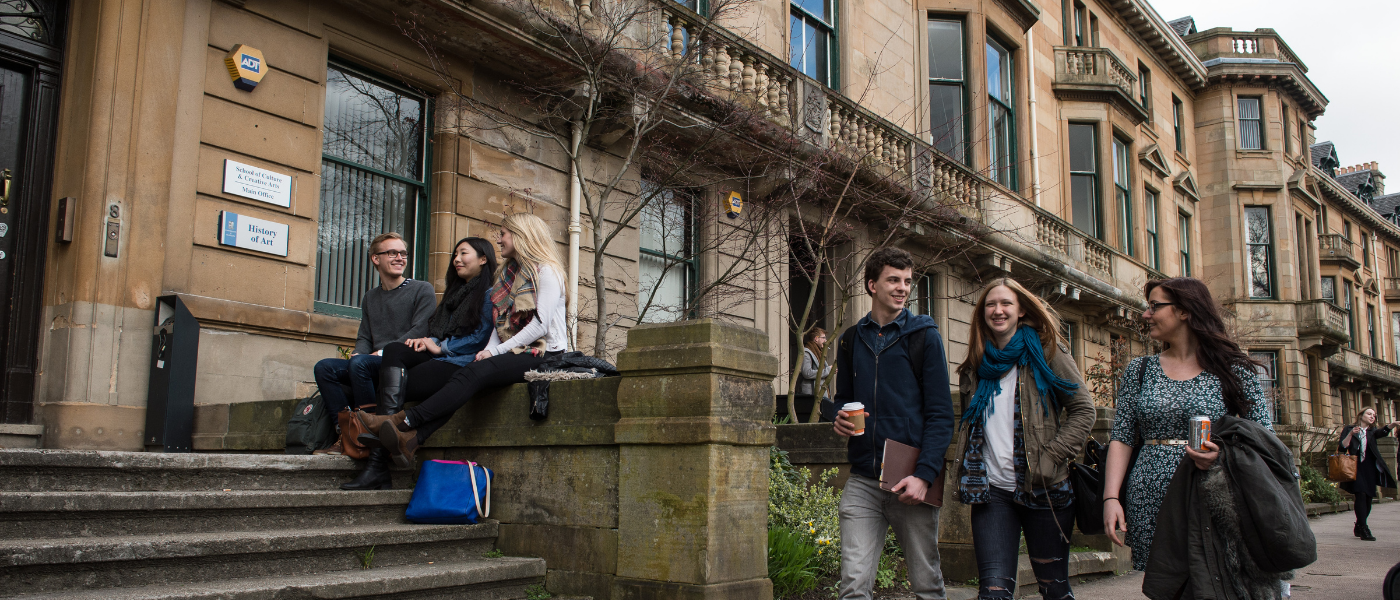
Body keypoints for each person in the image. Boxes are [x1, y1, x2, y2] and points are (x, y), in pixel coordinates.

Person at [357, 213, 569, 469]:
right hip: (514, 349)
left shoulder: (547, 271)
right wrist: (490, 349)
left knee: (471, 375)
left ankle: (404, 421)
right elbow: (500, 323)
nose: (499, 240)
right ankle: (412, 439)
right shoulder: (510, 275)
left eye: (503, 234)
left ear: (521, 235)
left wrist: (496, 352)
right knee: (469, 374)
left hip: (543, 354)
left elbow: (540, 324)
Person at [1102, 277, 1272, 571]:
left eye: (1154, 306)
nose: (1146, 314)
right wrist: (1111, 497)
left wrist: (1222, 455)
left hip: (1215, 493)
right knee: (1166, 585)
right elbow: (1122, 436)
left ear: (1184, 311)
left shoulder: (1233, 370)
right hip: (1150, 495)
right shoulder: (1140, 370)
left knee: (1216, 580)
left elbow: (1264, 437)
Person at [952, 278, 1094, 600]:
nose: (998, 310)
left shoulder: (1047, 352)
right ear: (982, 313)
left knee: (1054, 589)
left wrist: (1051, 456)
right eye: (991, 304)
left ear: (1021, 310)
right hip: (993, 493)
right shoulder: (975, 366)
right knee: (992, 593)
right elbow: (970, 427)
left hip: (1046, 490)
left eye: (1006, 304)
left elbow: (1084, 410)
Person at [831, 247, 954, 600]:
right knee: (853, 586)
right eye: (893, 280)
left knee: (926, 584)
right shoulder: (852, 339)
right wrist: (839, 419)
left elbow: (941, 415)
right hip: (863, 481)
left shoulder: (924, 336)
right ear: (872, 284)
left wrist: (925, 476)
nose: (902, 288)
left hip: (910, 480)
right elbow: (844, 401)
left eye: (907, 281)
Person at [340, 237, 498, 490]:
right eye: (455, 254)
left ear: (483, 259)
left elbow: (480, 338)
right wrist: (428, 340)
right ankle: (381, 442)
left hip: (461, 361)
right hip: (441, 354)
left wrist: (441, 346)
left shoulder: (490, 293)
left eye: (463, 254)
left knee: (395, 383)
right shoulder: (455, 293)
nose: (456, 259)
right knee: (394, 350)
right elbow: (439, 329)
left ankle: (377, 460)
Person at [311, 232, 435, 436]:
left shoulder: (422, 289)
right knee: (325, 368)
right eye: (392, 253)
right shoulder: (370, 297)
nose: (400, 258)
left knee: (361, 364)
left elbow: (420, 330)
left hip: (406, 360)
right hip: (372, 362)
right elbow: (365, 336)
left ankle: (369, 430)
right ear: (376, 259)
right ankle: (345, 433)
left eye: (403, 253)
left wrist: (379, 354)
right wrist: (359, 353)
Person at [1337, 407, 1398, 541]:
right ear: (1361, 415)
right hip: (1355, 467)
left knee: (1369, 498)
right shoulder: (1349, 429)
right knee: (1361, 494)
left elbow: (1383, 432)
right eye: (1369, 414)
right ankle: (1364, 528)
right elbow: (1342, 446)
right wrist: (1352, 434)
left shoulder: (1372, 432)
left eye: (1374, 415)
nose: (1372, 417)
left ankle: (1359, 525)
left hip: (1369, 468)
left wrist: (1392, 425)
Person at [797, 327, 834, 421]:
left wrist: (830, 371)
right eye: (824, 338)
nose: (825, 340)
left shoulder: (819, 353)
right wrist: (827, 370)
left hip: (820, 397)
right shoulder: (807, 353)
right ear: (816, 338)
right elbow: (807, 373)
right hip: (812, 398)